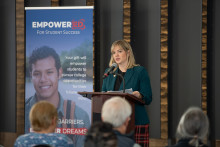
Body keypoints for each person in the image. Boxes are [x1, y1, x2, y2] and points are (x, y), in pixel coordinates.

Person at [25, 46, 90, 147]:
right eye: (37, 73)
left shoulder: (80, 116)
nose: (43, 79)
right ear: (31, 75)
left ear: (59, 73)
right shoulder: (21, 111)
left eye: (49, 72)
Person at [102, 40, 152, 146]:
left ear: (128, 52)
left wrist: (140, 95)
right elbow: (103, 94)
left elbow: (148, 97)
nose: (116, 55)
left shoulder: (139, 71)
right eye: (114, 52)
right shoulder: (109, 72)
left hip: (136, 120)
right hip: (114, 123)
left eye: (119, 51)